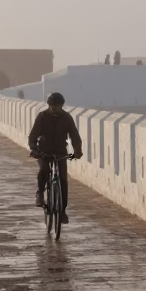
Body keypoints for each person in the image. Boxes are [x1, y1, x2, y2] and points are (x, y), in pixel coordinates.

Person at [28, 92, 82, 223]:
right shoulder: (42, 117)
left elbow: (74, 136)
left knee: (63, 181)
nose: (55, 109)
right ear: (49, 106)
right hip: (44, 151)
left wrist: (77, 151)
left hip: (60, 152)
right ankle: (40, 193)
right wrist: (34, 149)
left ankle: (62, 211)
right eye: (53, 106)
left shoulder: (66, 118)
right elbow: (33, 136)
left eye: (58, 106)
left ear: (62, 106)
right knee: (44, 170)